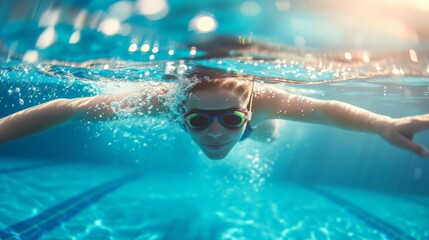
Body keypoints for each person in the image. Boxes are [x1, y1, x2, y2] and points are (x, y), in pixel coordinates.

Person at [0, 65, 428, 160]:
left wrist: (383, 124)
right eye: (199, 120)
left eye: (231, 118)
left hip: (260, 125)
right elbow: (68, 108)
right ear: (180, 108)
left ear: (247, 105)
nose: (216, 132)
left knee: (266, 134)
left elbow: (326, 109)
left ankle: (256, 130)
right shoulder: (157, 100)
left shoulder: (266, 102)